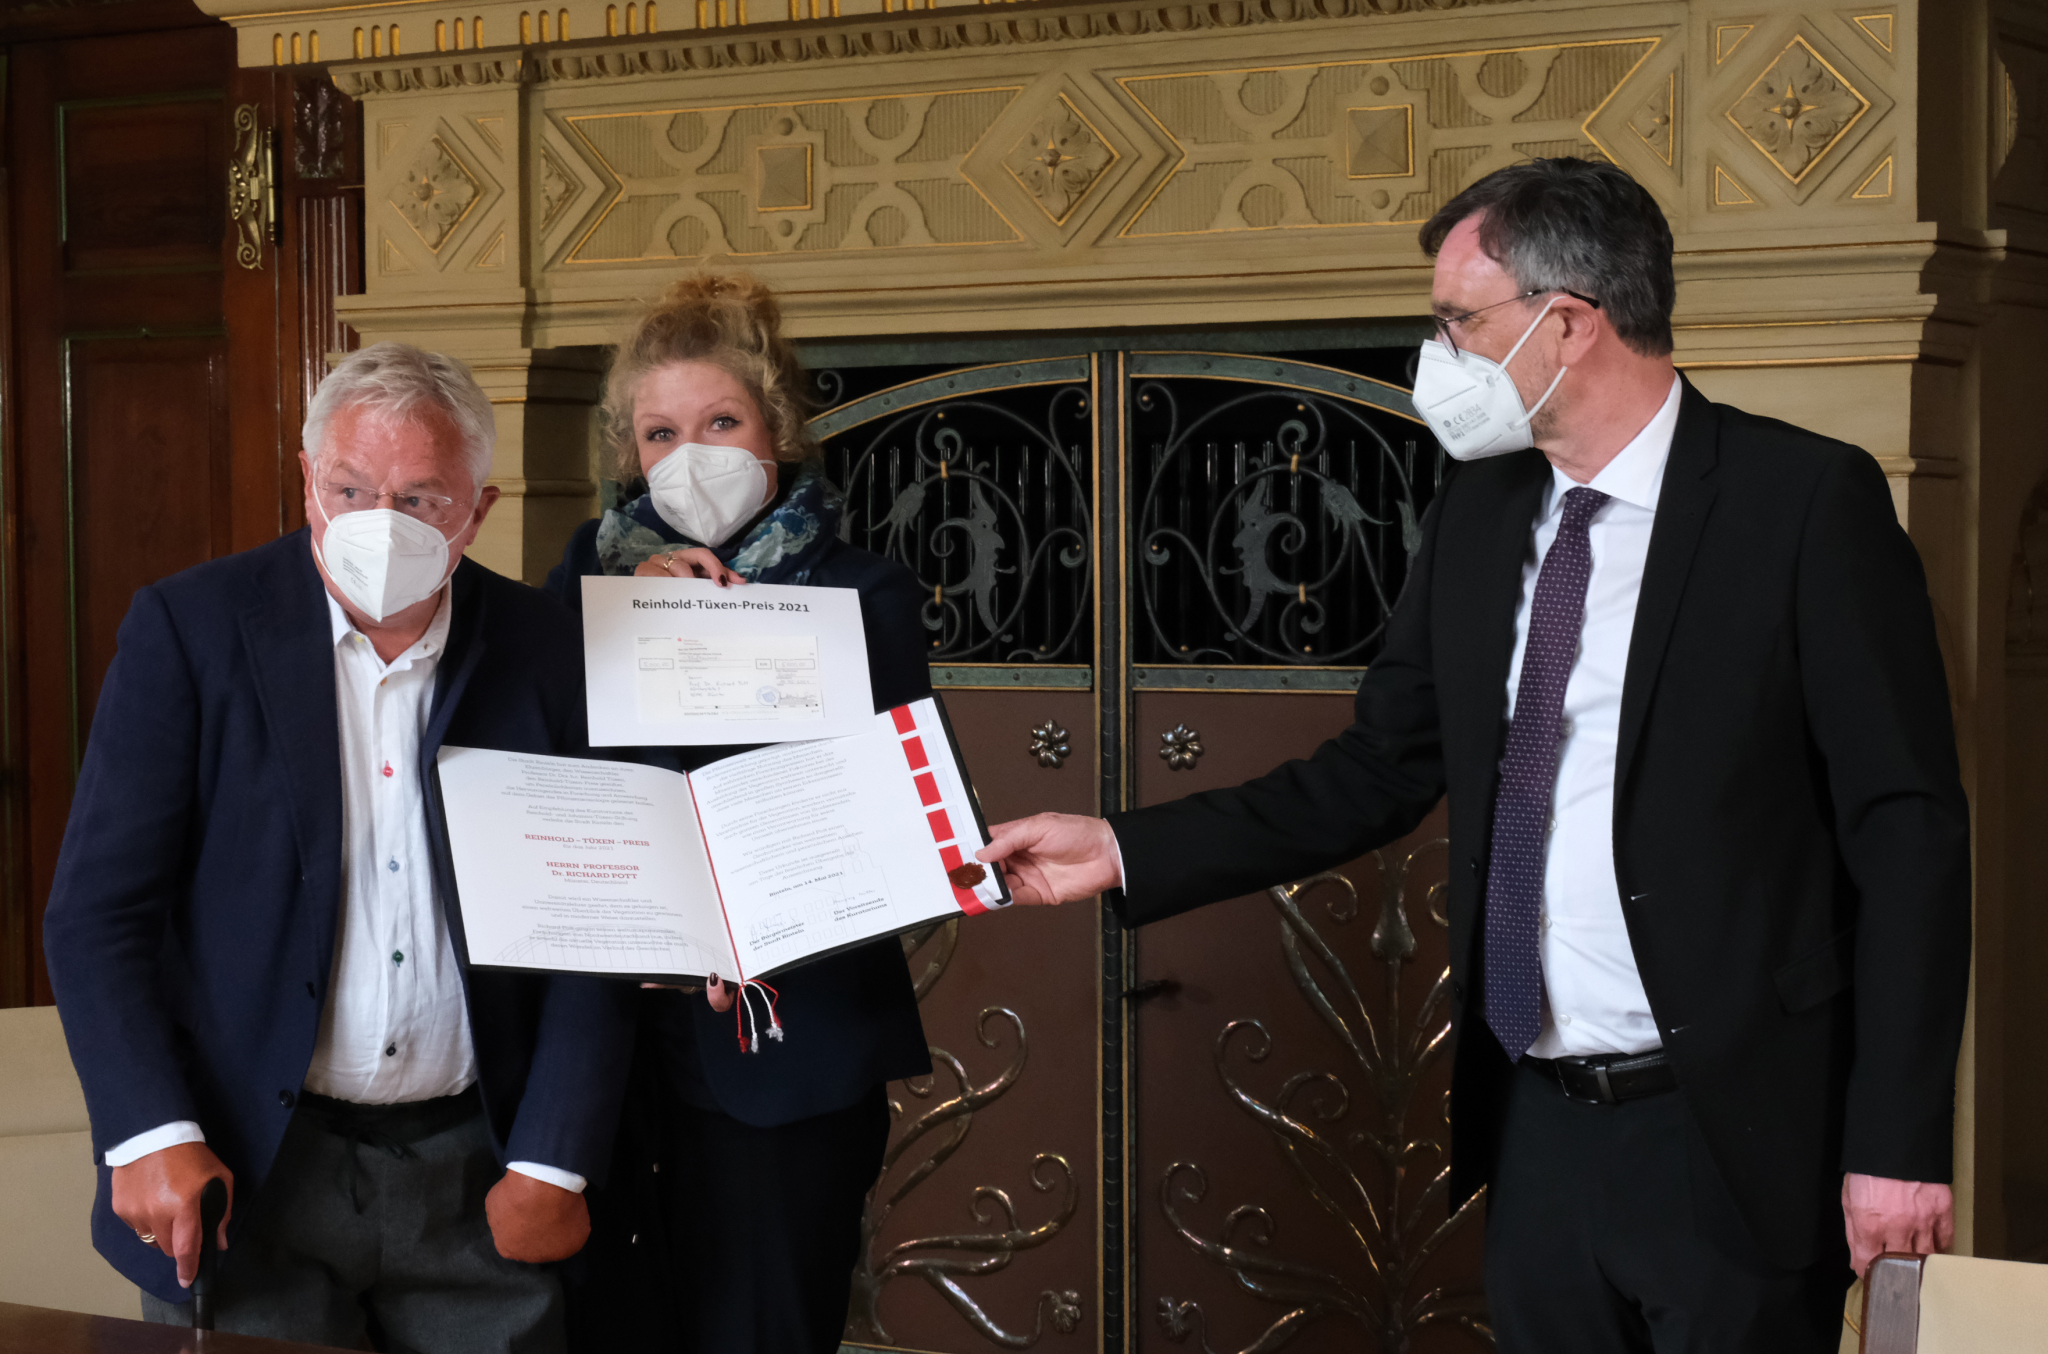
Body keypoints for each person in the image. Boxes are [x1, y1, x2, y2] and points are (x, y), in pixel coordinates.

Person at [978, 158, 1971, 1350]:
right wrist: (1124, 846)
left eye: (1457, 320)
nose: (1436, 352)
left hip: (1731, 1127)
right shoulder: (1482, 510)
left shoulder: (1802, 501)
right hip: (1537, 1121)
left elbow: (1905, 831)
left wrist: (1895, 1142)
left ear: (1568, 324)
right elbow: (1376, 768)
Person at [43, 344, 635, 1351]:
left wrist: (554, 1157)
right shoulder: (190, 630)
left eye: (420, 498)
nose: (378, 521)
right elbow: (97, 915)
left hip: (479, 1173)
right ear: (308, 479)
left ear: (478, 510)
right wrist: (147, 1129)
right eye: (350, 488)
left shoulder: (547, 650)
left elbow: (597, 916)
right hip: (247, 1171)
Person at [545, 272, 931, 1354]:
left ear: (777, 430)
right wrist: (639, 613)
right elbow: (544, 767)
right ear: (630, 453)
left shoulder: (864, 593)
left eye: (720, 422)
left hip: (784, 1044)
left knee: (762, 1328)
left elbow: (885, 813)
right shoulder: (579, 579)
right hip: (606, 1051)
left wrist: (729, 636)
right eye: (659, 433)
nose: (690, 456)